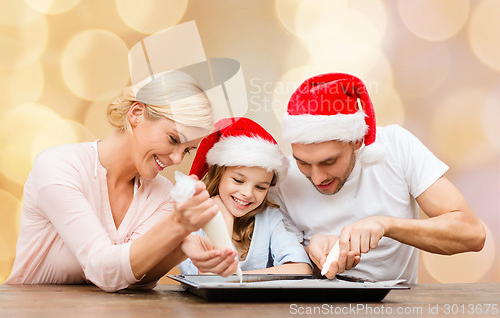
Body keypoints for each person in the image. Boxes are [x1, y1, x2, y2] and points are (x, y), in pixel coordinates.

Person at [5, 71, 239, 292]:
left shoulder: (163, 195)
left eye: (187, 150)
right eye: (173, 139)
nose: (177, 159)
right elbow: (102, 270)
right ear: (136, 114)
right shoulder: (59, 167)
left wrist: (179, 248)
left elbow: (131, 279)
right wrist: (177, 226)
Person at [271, 72, 486, 283]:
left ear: (357, 140)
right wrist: (310, 254)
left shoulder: (396, 146)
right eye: (303, 163)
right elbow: (271, 265)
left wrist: (386, 226)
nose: (317, 178)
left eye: (329, 162)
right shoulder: (283, 177)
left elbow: (471, 234)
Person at [178, 117, 312, 275]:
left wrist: (236, 278)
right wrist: (224, 224)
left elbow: (301, 269)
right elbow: (208, 277)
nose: (247, 193)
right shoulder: (192, 221)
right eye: (238, 180)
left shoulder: (270, 218)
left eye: (260, 187)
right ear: (218, 175)